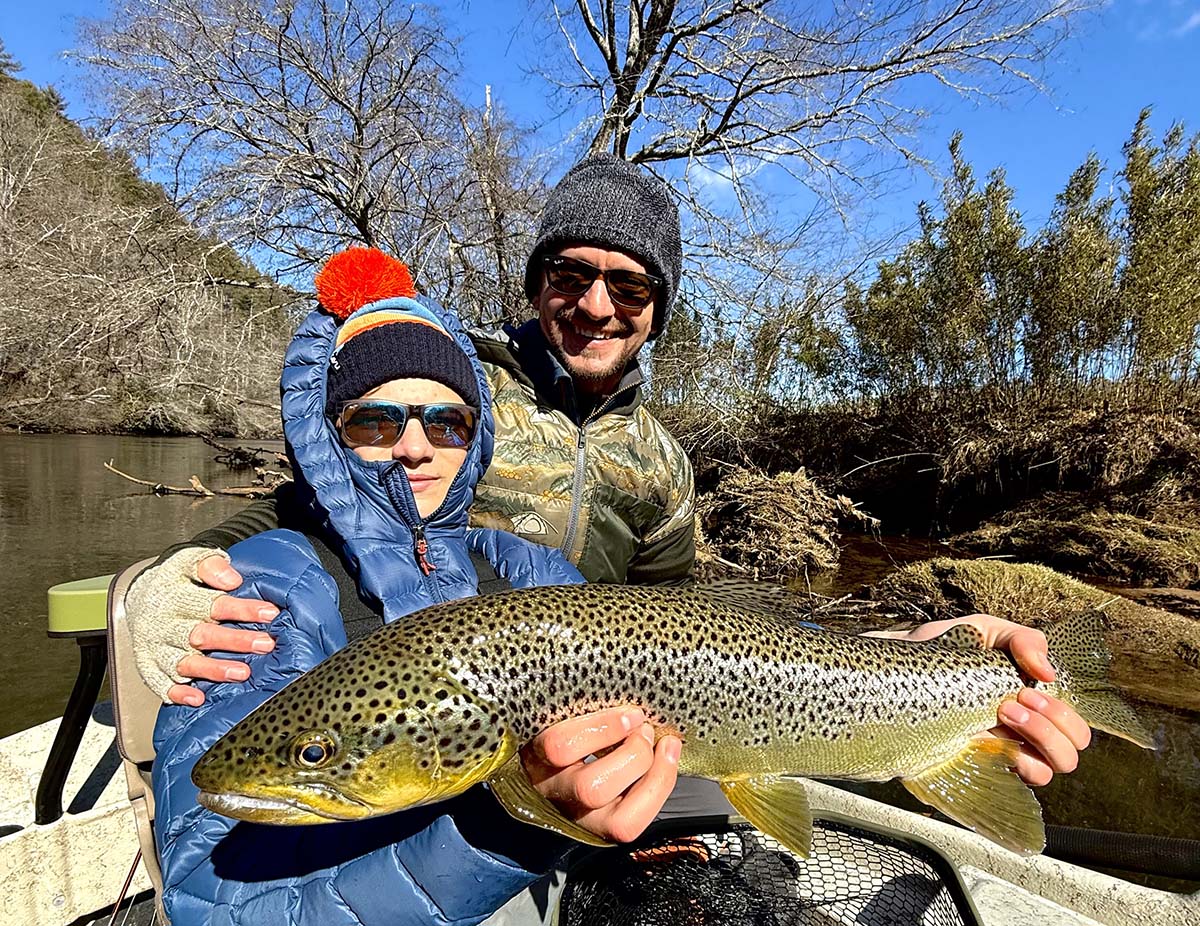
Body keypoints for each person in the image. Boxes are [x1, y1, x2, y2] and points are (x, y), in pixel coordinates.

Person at [130, 157, 1087, 789]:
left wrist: (906, 649)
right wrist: (170, 581)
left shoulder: (663, 462)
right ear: (536, 283)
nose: (595, 305)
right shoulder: (453, 398)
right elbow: (318, 503)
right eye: (570, 275)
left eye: (628, 286)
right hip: (433, 721)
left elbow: (701, 628)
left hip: (600, 745)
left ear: (658, 309)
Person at [148, 249, 683, 925]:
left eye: (448, 423)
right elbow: (212, 901)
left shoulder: (537, 565)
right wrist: (174, 566)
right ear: (328, 433)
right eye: (375, 421)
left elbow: (670, 600)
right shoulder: (271, 593)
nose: (416, 446)